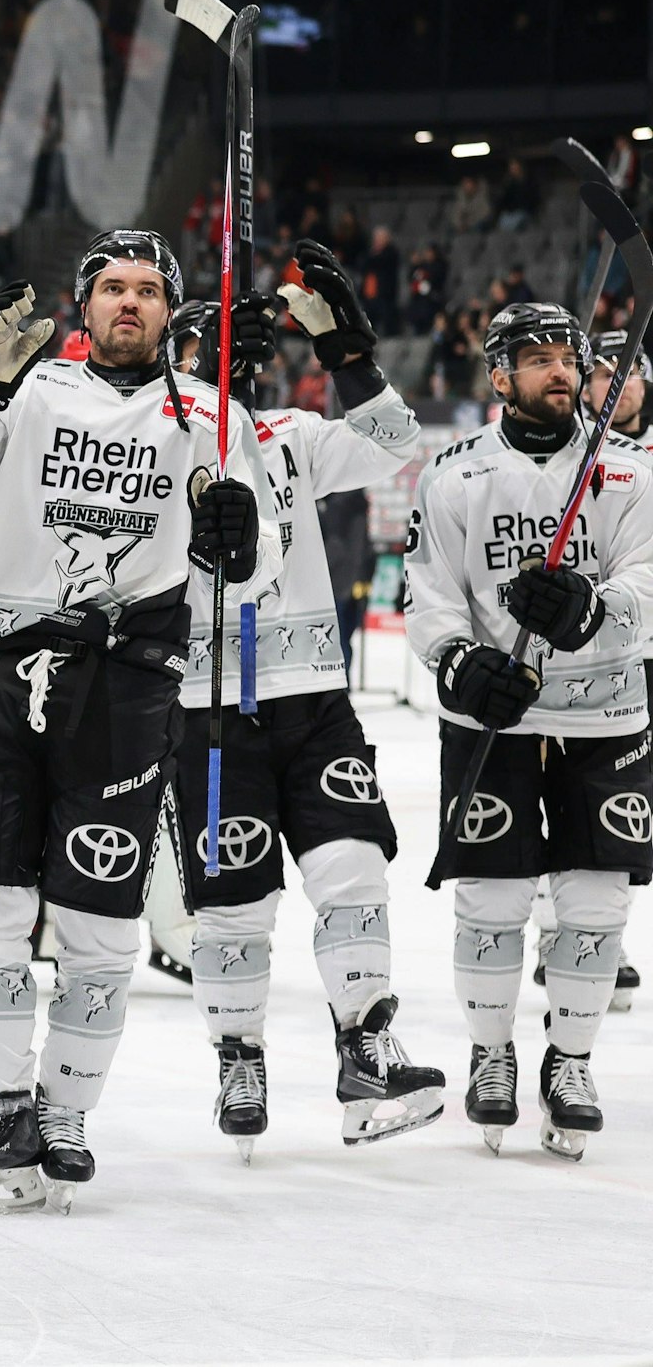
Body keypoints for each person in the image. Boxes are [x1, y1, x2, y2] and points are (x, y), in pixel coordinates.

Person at [0, 228, 278, 1219]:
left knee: (99, 917)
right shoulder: (29, 392)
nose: (128, 303)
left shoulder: (210, 417)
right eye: (110, 287)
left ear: (169, 311)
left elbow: (261, 561)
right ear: (83, 304)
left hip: (124, 686)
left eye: (148, 290)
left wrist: (239, 543)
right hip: (6, 668)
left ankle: (63, 1118)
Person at [169, 245, 442, 1162]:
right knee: (235, 903)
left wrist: (348, 358)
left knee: (354, 872)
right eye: (218, 359)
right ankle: (238, 1053)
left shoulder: (289, 434)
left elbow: (396, 446)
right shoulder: (152, 443)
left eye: (245, 360)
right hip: (207, 708)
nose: (239, 374)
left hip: (316, 699)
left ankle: (366, 1044)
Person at [404, 302, 653, 1162]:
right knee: (493, 897)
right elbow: (430, 594)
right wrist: (460, 664)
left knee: (595, 902)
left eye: (568, 357)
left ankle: (571, 1062)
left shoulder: (628, 469)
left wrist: (594, 612)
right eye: (535, 356)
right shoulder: (456, 473)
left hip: (608, 713)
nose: (558, 370)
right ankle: (491, 1053)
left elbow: (648, 578)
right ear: (498, 375)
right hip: (494, 719)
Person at [526, 327, 653, 1008]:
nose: (619, 383)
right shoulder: (565, 457)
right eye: (605, 372)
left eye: (631, 372)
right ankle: (560, 931)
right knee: (563, 795)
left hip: (644, 644)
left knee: (631, 808)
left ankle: (601, 929)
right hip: (578, 654)